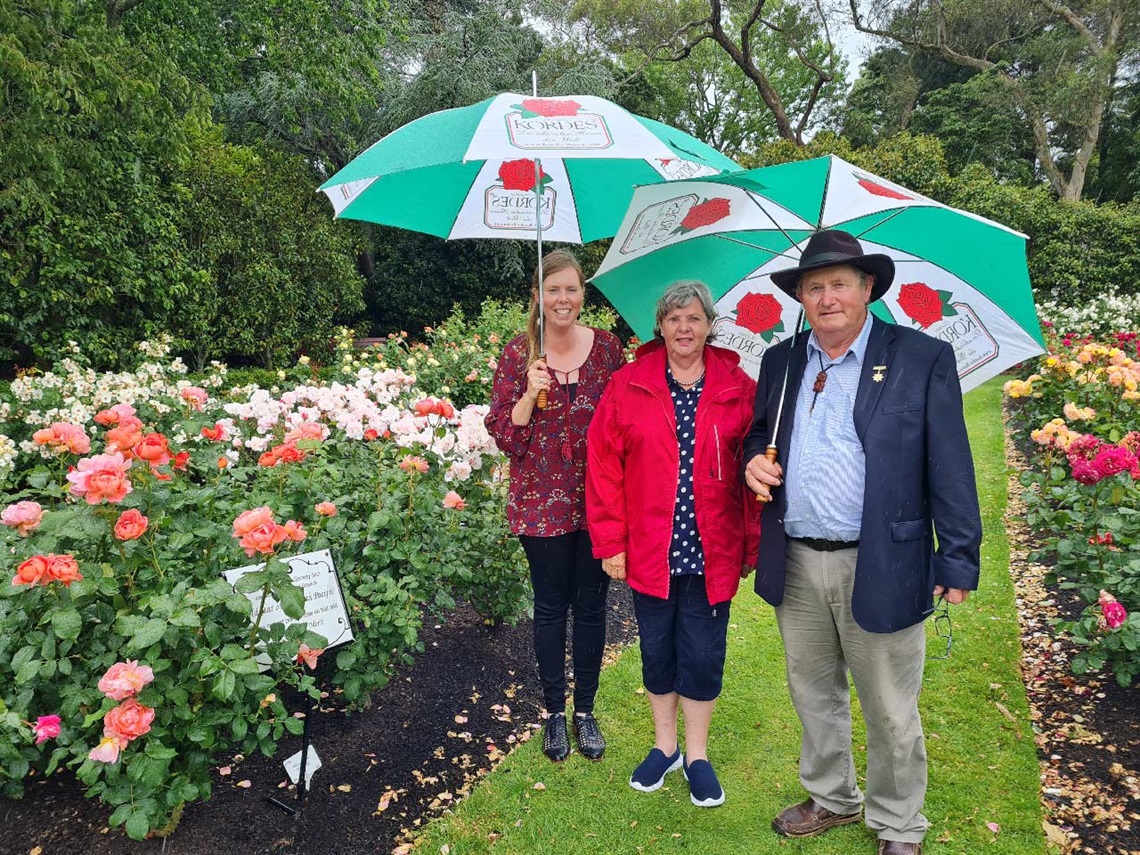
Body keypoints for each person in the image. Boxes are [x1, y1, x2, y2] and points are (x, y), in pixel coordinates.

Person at [742, 230, 982, 855]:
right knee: (813, 692)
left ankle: (899, 823)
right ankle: (831, 796)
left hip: (884, 559)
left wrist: (957, 556)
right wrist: (752, 464)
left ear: (868, 288)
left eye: (839, 284)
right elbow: (758, 436)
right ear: (800, 298)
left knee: (890, 706)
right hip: (796, 559)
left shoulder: (919, 358)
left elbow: (950, 465)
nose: (826, 298)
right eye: (813, 287)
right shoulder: (783, 362)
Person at [587, 280, 759, 808]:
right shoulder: (629, 383)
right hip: (650, 546)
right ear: (659, 326)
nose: (684, 328)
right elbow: (602, 465)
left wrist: (752, 542)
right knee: (658, 651)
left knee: (703, 655)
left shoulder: (738, 385)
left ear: (710, 325)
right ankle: (665, 747)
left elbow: (755, 461)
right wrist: (611, 542)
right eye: (673, 319)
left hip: (713, 546)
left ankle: (698, 755)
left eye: (694, 318)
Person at [485, 250, 625, 763]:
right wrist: (528, 393)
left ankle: (584, 711)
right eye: (553, 289)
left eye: (571, 288)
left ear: (583, 293)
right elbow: (504, 434)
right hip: (540, 504)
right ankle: (552, 715)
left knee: (591, 606)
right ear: (538, 296)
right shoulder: (519, 354)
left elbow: (628, 419)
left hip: (600, 502)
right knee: (550, 607)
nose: (562, 298)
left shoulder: (609, 350)